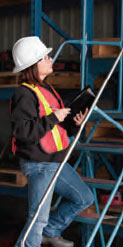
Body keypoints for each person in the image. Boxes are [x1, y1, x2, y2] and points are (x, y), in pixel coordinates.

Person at [10, 36, 94, 247]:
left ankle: (52, 231)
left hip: (56, 162)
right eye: (45, 57)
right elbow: (23, 131)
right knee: (37, 218)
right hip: (39, 164)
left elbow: (56, 128)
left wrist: (74, 124)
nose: (50, 59)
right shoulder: (24, 94)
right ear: (33, 64)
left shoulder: (47, 90)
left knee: (83, 198)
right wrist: (53, 118)